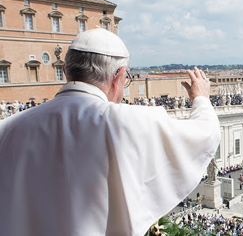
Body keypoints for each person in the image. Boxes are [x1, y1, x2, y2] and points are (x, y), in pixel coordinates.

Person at [0, 28, 221, 236]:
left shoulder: (7, 129)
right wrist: (200, 97)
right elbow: (203, 133)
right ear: (118, 76)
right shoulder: (125, 121)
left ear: (66, 71)